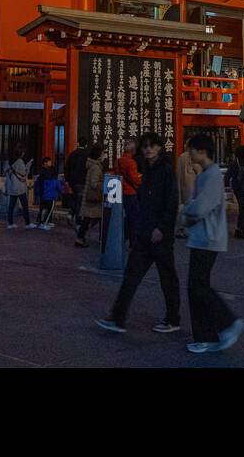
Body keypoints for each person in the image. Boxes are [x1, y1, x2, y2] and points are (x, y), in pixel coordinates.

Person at [96, 132, 181, 335]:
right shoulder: (145, 170)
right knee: (131, 275)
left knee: (167, 278)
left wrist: (162, 228)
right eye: (145, 146)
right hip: (144, 233)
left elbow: (171, 202)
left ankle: (172, 318)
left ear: (160, 147)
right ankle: (118, 317)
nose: (148, 149)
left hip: (160, 235)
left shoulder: (166, 170)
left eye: (152, 146)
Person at [179, 134, 244, 354]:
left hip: (207, 237)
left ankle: (226, 323)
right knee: (196, 287)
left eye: (191, 150)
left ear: (201, 151)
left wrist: (185, 211)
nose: (189, 154)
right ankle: (208, 335)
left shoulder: (211, 175)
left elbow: (199, 207)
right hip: (203, 237)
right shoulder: (207, 174)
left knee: (198, 287)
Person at [74, 144, 104, 248]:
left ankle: (80, 237)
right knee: (93, 218)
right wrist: (103, 183)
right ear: (99, 154)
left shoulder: (91, 165)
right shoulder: (96, 167)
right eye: (103, 153)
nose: (104, 155)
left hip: (89, 197)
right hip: (94, 198)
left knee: (88, 219)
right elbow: (94, 183)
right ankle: (82, 237)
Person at [116, 137, 142, 241]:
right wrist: (141, 178)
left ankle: (123, 237)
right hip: (130, 192)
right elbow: (135, 179)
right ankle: (132, 239)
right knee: (133, 217)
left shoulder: (118, 161)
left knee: (125, 216)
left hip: (121, 191)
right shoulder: (131, 162)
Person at [3, 147, 35, 229]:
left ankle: (10, 223)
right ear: (20, 153)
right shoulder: (19, 161)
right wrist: (28, 165)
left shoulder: (8, 162)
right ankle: (27, 223)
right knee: (25, 205)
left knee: (11, 206)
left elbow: (6, 174)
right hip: (20, 187)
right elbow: (24, 173)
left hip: (12, 187)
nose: (23, 154)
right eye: (23, 152)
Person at [175, 141, 201, 237]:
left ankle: (181, 228)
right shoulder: (196, 157)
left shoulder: (181, 157)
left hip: (183, 186)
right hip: (193, 185)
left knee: (183, 208)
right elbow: (199, 172)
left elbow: (178, 174)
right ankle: (188, 229)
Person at [64, 139, 91, 226]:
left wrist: (67, 180)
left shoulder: (72, 154)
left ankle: (71, 214)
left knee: (75, 198)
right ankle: (78, 221)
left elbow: (66, 168)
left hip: (73, 181)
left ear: (78, 144)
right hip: (82, 181)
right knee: (80, 201)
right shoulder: (88, 155)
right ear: (86, 145)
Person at [35, 156, 60, 229]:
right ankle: (43, 222)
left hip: (45, 192)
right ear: (45, 163)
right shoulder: (44, 171)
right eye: (49, 162)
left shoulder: (47, 170)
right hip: (45, 192)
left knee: (47, 207)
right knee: (46, 207)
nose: (50, 163)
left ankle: (47, 221)